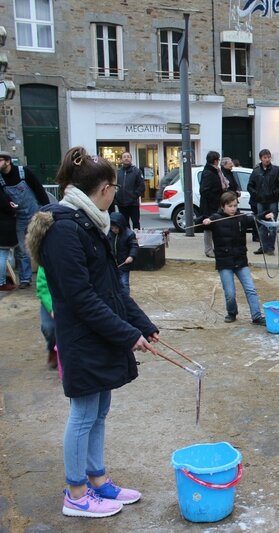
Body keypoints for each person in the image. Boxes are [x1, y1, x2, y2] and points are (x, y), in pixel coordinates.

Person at [26, 146, 160, 518]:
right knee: (83, 414)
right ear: (104, 188)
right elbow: (81, 298)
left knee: (99, 410)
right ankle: (76, 493)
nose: (115, 193)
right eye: (114, 188)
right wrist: (125, 334)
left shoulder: (90, 221)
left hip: (99, 334)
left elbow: (112, 288)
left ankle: (98, 481)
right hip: (82, 338)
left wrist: (143, 325)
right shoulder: (65, 229)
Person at [203, 191, 266, 325]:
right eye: (230, 206)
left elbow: (255, 219)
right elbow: (200, 222)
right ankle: (232, 313)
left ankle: (256, 316)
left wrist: (265, 214)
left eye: (235, 206)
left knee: (251, 289)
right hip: (224, 262)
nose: (233, 209)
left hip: (240, 260)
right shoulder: (216, 218)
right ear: (223, 206)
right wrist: (205, 221)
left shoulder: (241, 218)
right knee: (230, 293)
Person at [0, 151, 49, 289]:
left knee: (44, 244)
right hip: (19, 217)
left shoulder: (24, 172)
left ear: (8, 161)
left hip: (35, 213)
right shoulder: (0, 180)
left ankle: (50, 274)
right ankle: (25, 279)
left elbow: (39, 190)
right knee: (22, 249)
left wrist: (46, 209)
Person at [248, 149, 279, 255]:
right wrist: (256, 194)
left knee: (272, 225)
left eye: (268, 157)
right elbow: (249, 186)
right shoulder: (256, 171)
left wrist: (274, 193)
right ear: (261, 158)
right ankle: (263, 247)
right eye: (265, 157)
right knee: (261, 225)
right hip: (260, 201)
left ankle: (270, 247)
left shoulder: (276, 170)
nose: (267, 159)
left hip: (272, 201)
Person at [200, 151, 234, 258]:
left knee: (215, 226)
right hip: (210, 205)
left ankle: (215, 248)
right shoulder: (209, 173)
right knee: (209, 227)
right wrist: (217, 199)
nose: (219, 162)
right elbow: (204, 191)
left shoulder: (215, 171)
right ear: (215, 161)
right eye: (218, 160)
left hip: (215, 204)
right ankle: (209, 250)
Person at [108, 212, 139, 296]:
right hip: (112, 264)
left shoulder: (129, 234)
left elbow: (134, 246)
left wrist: (131, 256)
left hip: (124, 264)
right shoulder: (109, 234)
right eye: (112, 228)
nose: (114, 230)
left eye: (116, 228)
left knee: (124, 282)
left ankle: (126, 299)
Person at [113, 152, 145, 230]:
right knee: (124, 224)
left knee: (136, 224)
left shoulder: (137, 171)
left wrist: (135, 196)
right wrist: (116, 198)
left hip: (133, 204)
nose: (126, 158)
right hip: (121, 204)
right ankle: (127, 240)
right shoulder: (118, 172)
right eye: (124, 157)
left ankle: (136, 240)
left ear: (131, 159)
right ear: (121, 159)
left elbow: (142, 186)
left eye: (128, 157)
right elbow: (114, 185)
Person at [35, 265, 58, 369]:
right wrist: (51, 308)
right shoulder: (46, 256)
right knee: (49, 327)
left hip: (73, 300)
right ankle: (52, 349)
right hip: (51, 300)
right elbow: (42, 286)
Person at [0, 189, 17, 291]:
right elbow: (5, 205)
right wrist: (12, 209)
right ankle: (1, 282)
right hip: (3, 224)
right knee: (2, 254)